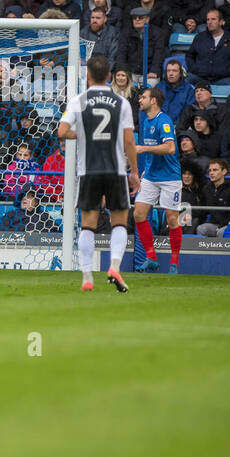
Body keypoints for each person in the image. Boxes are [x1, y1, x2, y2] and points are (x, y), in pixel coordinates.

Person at [57, 54, 140, 292]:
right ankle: (114, 266)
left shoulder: (78, 100)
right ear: (110, 77)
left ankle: (86, 276)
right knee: (120, 222)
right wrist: (134, 172)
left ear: (89, 76)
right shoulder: (121, 102)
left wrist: (81, 134)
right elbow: (129, 142)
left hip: (89, 170)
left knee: (88, 225)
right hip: (115, 170)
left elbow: (61, 131)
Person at [132, 86, 183, 273]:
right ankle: (151, 257)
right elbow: (151, 148)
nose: (140, 100)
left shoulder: (164, 121)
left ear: (153, 100)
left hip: (170, 177)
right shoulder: (145, 121)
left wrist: (143, 149)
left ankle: (174, 263)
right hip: (152, 176)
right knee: (138, 214)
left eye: (143, 97)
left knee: (171, 219)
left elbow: (170, 148)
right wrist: (145, 170)